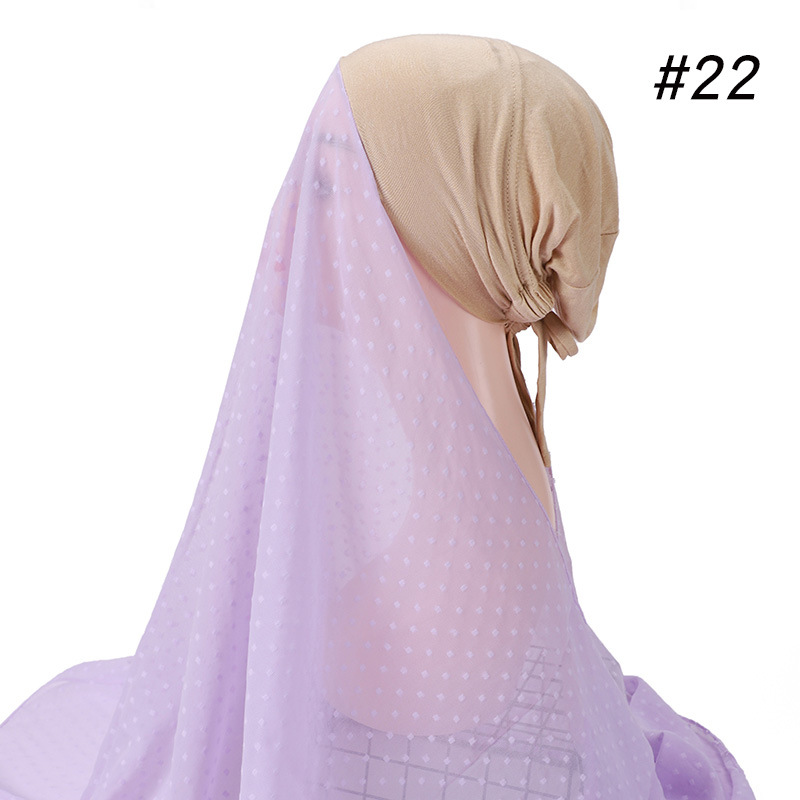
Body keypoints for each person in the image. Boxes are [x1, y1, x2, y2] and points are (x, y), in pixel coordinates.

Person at [0, 34, 756, 800]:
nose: (296, 221)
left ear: (461, 224)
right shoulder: (430, 449)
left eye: (335, 184)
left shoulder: (451, 575)